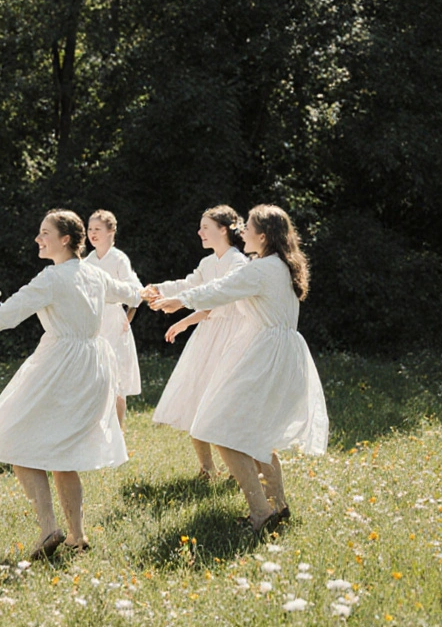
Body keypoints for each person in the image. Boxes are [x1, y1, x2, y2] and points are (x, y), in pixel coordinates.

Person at [0, 209, 142, 559]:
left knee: (14, 437)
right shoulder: (95, 276)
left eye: (44, 233)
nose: (38, 239)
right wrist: (164, 295)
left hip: (62, 364)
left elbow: (8, 313)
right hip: (94, 364)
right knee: (62, 452)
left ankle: (50, 527)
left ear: (65, 239)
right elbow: (133, 292)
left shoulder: (51, 278)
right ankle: (76, 537)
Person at [150, 205, 328, 532]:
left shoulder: (262, 269)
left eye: (247, 227)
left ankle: (261, 512)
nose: (241, 230)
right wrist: (180, 296)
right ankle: (278, 506)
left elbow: (218, 290)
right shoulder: (275, 266)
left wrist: (180, 301)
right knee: (255, 432)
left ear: (263, 236)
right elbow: (217, 287)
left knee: (217, 427)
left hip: (264, 353)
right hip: (276, 352)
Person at [142, 206, 249, 479]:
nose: (199, 232)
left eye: (205, 227)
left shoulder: (238, 263)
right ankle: (207, 468)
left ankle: (245, 468)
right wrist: (160, 289)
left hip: (232, 337)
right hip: (208, 335)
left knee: (226, 403)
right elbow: (189, 284)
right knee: (196, 394)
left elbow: (216, 297)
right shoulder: (208, 263)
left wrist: (183, 316)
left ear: (223, 229)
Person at [84, 210, 144, 427]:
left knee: (117, 379)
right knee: (95, 377)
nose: (93, 234)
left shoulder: (119, 258)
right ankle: (96, 429)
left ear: (111, 231)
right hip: (93, 322)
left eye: (97, 229)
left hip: (115, 322)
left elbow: (136, 291)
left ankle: (118, 433)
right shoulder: (88, 260)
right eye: (90, 229)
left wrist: (128, 317)